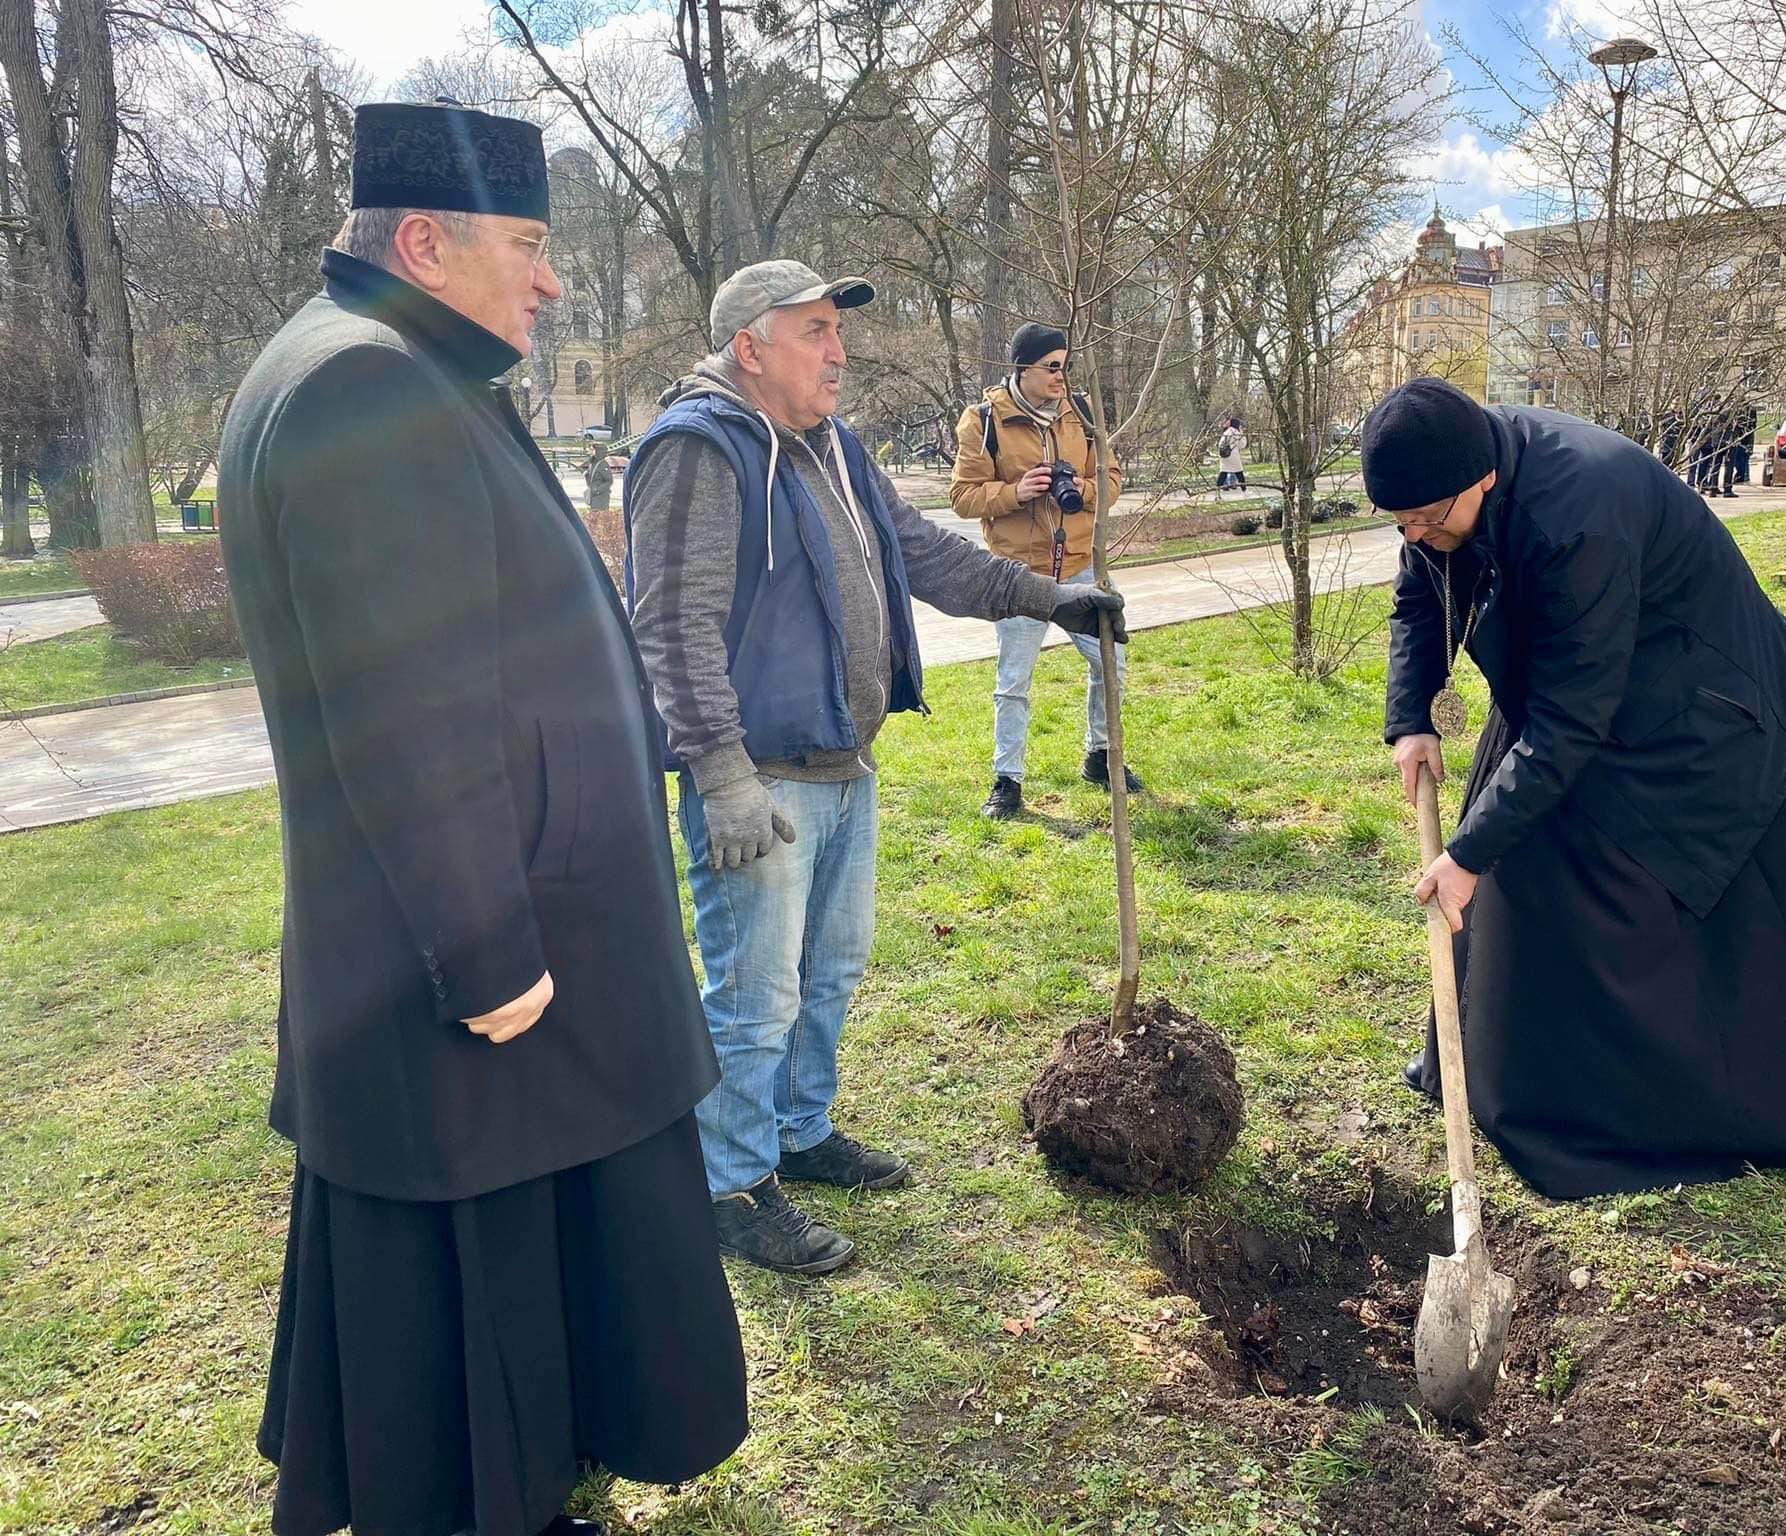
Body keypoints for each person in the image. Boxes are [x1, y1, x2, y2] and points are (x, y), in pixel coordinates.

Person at [216, 103, 745, 1536]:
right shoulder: (365, 385)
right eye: (528, 245)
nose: (552, 281)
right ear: (425, 242)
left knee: (514, 1257)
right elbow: (409, 711)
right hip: (481, 957)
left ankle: (521, 1501)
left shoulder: (379, 362)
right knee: (478, 1265)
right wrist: (488, 953)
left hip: (492, 929)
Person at [622, 265, 1128, 1273]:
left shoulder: (833, 446)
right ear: (750, 348)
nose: (839, 351)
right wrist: (720, 775)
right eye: (815, 331)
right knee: (754, 993)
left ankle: (797, 1131)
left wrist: (1049, 598)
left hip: (843, 758)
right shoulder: (698, 450)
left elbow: (925, 554)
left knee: (830, 970)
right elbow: (670, 627)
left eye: (837, 331)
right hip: (760, 779)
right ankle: (730, 1185)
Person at [1368, 377, 1786, 1200]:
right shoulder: (1445, 473)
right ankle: (1514, 1079)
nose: (1415, 534)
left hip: (1703, 702)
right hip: (1580, 677)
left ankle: (1641, 1115)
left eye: (1426, 518)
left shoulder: (1580, 512)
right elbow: (1421, 597)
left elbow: (1572, 721)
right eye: (1398, 520)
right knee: (1521, 852)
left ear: (1484, 479)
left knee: (1611, 880)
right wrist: (1412, 717)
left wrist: (1467, 855)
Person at [949, 322, 1139, 821]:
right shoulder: (984, 420)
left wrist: (1083, 488)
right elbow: (962, 497)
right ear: (1022, 368)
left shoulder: (1082, 412)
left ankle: (1102, 757)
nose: (1062, 376)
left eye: (1066, 366)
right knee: (1014, 682)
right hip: (1018, 573)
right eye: (1052, 366)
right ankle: (1007, 780)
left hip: (1079, 565)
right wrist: (1016, 492)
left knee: (1112, 662)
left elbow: (1112, 478)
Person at [1217, 417, 1249, 493]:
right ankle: (1244, 489)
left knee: (1223, 472)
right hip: (1233, 455)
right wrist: (1242, 433)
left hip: (1224, 455)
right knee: (1239, 472)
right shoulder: (1236, 433)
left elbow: (1220, 444)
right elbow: (1242, 445)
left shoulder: (1226, 432)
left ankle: (1217, 489)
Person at [584, 443, 614, 510]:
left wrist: (598, 490)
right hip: (593, 496)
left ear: (598, 451)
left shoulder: (603, 464)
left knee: (601, 513)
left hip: (601, 497)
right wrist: (586, 476)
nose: (590, 451)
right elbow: (590, 482)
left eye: (592, 449)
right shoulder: (592, 463)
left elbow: (609, 481)